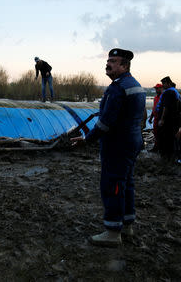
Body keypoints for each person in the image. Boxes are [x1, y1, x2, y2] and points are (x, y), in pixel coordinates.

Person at [70, 48, 146, 246]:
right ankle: (127, 226)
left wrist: (87, 139)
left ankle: (113, 232)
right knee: (126, 184)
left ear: (124, 66)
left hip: (117, 145)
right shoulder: (135, 85)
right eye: (108, 60)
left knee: (113, 185)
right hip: (132, 142)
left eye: (113, 61)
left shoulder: (117, 88)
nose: (108, 64)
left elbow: (105, 123)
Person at [156, 76, 181, 161]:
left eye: (164, 83)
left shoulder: (169, 92)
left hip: (168, 120)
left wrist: (162, 119)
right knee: (172, 137)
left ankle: (167, 156)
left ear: (168, 83)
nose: (163, 85)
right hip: (174, 119)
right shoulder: (176, 92)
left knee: (166, 138)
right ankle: (172, 155)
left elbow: (166, 106)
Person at [148, 83, 163, 152]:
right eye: (155, 89)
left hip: (161, 119)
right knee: (155, 133)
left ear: (161, 88)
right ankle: (156, 147)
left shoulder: (163, 97)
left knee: (160, 134)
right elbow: (154, 108)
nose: (156, 90)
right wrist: (151, 118)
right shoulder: (155, 98)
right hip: (155, 119)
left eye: (157, 88)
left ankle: (159, 148)